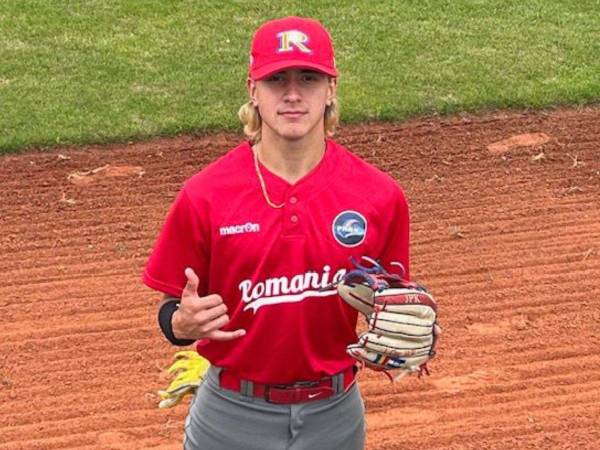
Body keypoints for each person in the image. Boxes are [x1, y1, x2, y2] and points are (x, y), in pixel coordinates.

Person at [143, 16, 410, 450]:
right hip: (230, 418)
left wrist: (407, 336)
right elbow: (172, 311)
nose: (292, 94)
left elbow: (394, 301)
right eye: (275, 80)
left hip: (335, 417)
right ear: (253, 90)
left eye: (308, 77)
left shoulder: (379, 196)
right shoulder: (205, 195)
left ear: (330, 90)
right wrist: (181, 322)